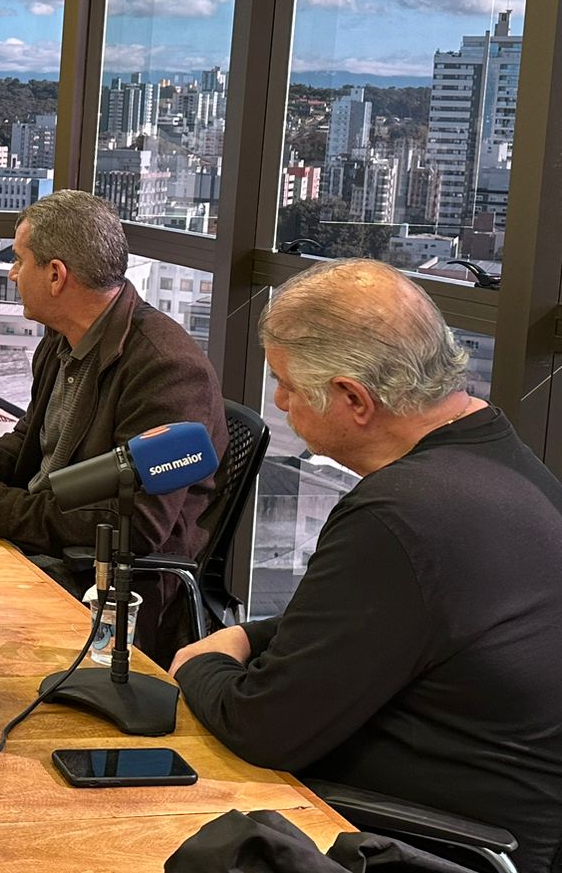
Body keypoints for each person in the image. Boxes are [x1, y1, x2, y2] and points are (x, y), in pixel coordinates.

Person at [169, 260, 562, 873]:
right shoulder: (493, 451)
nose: (279, 401)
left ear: (353, 398)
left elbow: (263, 727)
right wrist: (246, 635)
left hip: (422, 845)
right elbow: (382, 620)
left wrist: (201, 663)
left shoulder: (402, 515)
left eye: (286, 385)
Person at [0, 190, 227, 652]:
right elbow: (34, 442)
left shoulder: (166, 368)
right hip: (41, 544)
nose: (12, 274)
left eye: (19, 260)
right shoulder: (62, 338)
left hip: (105, 586)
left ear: (55, 275)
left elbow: (138, 526)